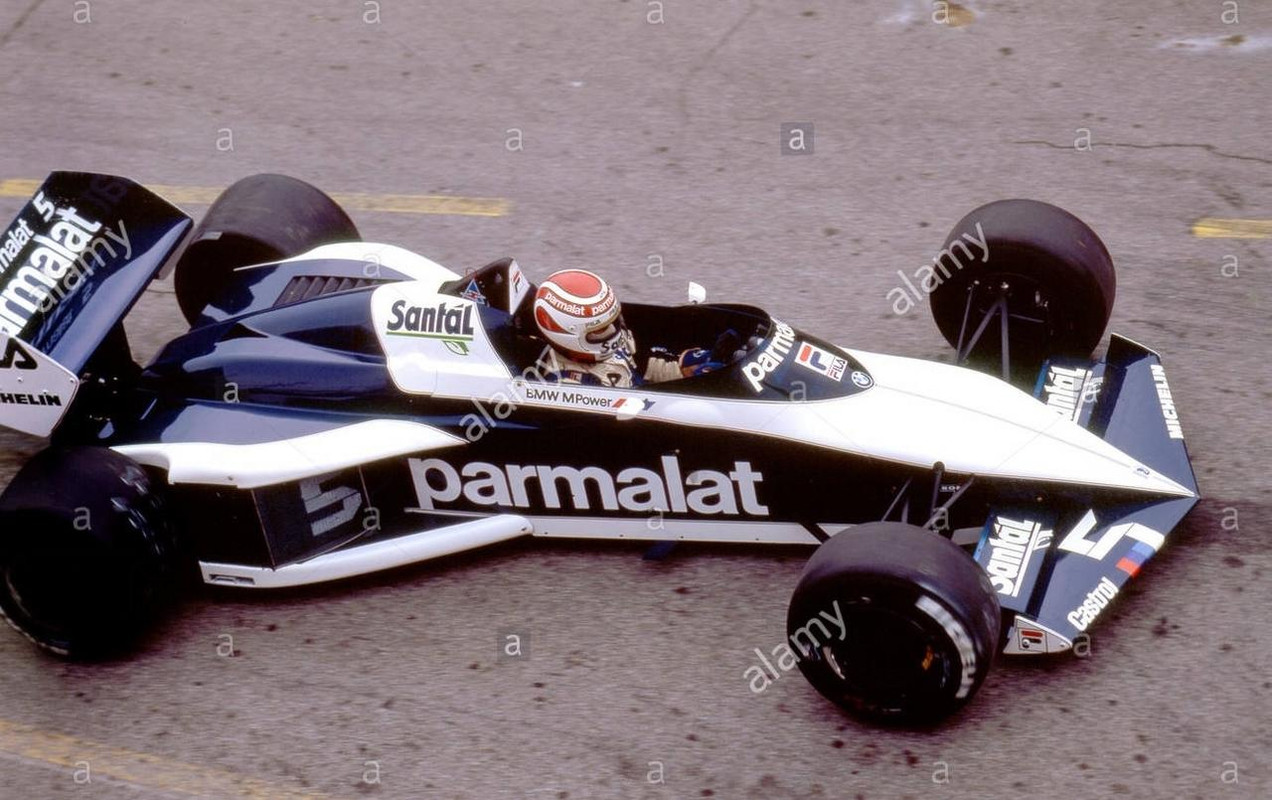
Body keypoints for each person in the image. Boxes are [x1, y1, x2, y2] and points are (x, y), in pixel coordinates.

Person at [532, 269, 728, 387]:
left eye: (612, 320)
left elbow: (641, 369)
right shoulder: (569, 386)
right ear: (569, 335)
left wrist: (685, 372)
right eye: (600, 328)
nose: (612, 331)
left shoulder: (607, 345)